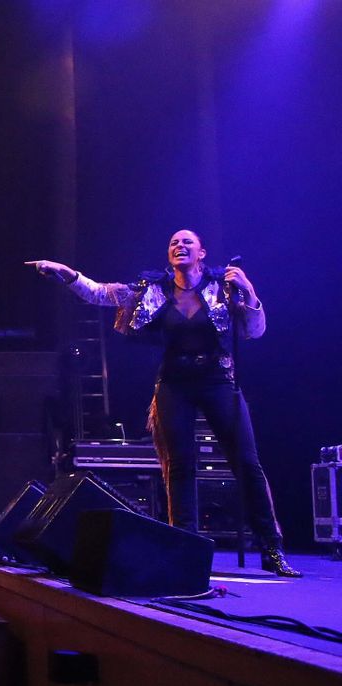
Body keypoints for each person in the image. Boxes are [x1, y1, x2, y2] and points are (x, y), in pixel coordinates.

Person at [28, 230, 300, 577]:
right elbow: (100, 293)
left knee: (247, 463)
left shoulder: (224, 287)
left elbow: (255, 330)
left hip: (218, 380)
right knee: (179, 467)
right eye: (174, 242)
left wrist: (248, 288)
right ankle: (185, 549)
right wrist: (67, 274)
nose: (180, 246)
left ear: (202, 253)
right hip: (174, 384)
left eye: (188, 242)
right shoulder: (153, 291)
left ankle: (271, 549)